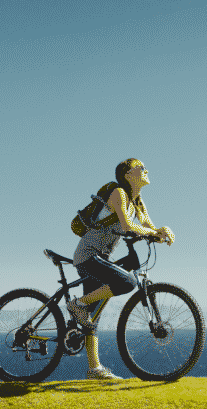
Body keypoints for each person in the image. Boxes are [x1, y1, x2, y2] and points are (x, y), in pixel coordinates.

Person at [68, 158, 174, 380]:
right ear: (128, 175)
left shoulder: (137, 200)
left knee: (91, 316)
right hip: (88, 256)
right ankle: (77, 304)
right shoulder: (119, 193)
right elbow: (127, 225)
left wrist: (162, 231)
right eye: (140, 168)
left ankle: (94, 369)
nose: (146, 170)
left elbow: (147, 226)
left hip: (100, 257)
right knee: (127, 282)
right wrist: (151, 233)